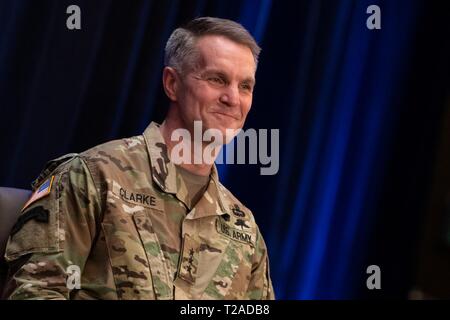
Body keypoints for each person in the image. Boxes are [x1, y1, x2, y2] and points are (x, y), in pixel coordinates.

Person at [2, 17, 274, 300]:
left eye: (245, 86)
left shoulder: (244, 228)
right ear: (172, 83)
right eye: (217, 79)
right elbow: (34, 293)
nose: (233, 98)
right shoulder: (93, 177)